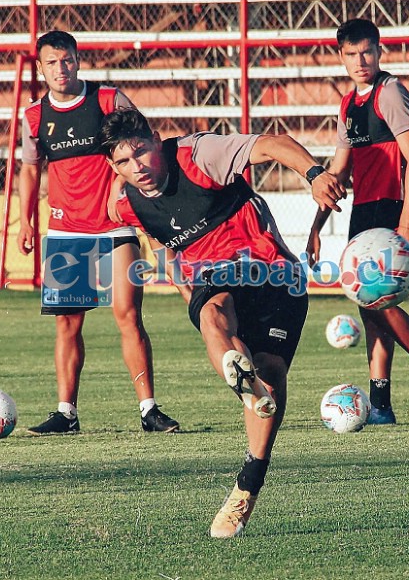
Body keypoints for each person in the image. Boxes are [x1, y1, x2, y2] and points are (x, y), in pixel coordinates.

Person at [99, 107, 344, 538]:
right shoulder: (126, 203)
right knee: (212, 314)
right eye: (123, 161)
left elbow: (270, 144)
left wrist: (314, 173)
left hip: (273, 272)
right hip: (215, 279)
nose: (137, 167)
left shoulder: (200, 155)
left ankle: (248, 481)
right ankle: (240, 376)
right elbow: (162, 246)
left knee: (271, 373)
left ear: (156, 141)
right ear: (112, 166)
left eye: (141, 152)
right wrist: (187, 295)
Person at [17, 30, 179, 435]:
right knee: (68, 324)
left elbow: (140, 144)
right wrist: (26, 220)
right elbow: (31, 167)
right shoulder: (35, 116)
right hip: (66, 230)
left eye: (67, 59)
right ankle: (66, 413)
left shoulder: (108, 100)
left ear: (78, 60)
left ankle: (149, 409)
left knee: (127, 314)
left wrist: (118, 187)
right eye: (52, 62)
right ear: (41, 68)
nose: (61, 68)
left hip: (115, 224)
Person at [307, 18, 409, 425]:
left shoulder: (389, 92)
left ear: (379, 51)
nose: (361, 61)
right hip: (364, 212)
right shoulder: (347, 104)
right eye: (352, 54)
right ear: (340, 57)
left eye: (367, 52)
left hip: (390, 210)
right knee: (369, 307)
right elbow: (338, 173)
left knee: (378, 300)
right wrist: (316, 227)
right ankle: (380, 406)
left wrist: (407, 223)